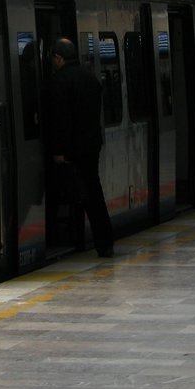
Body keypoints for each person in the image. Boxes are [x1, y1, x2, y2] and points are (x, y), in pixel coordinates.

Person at [48, 37, 114, 257]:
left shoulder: (59, 82)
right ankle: (105, 242)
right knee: (94, 194)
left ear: (59, 58)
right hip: (91, 146)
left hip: (71, 151)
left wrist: (60, 152)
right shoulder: (91, 79)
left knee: (61, 193)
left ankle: (55, 234)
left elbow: (60, 121)